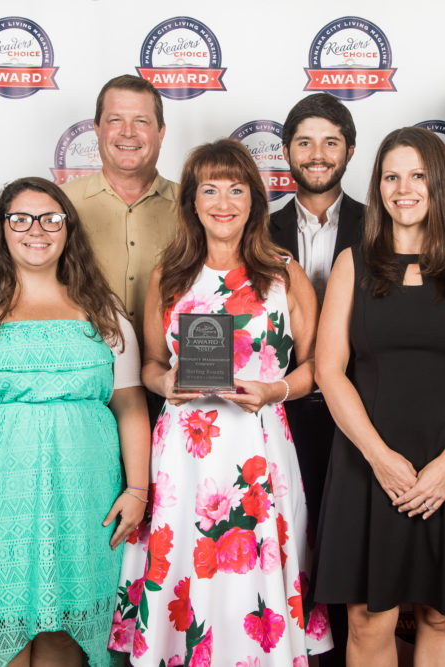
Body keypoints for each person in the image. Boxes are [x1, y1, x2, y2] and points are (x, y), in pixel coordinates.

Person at [108, 139, 332, 665]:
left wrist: (276, 390)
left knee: (254, 577)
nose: (223, 202)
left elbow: (318, 367)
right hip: (184, 456)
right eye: (209, 190)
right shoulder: (170, 273)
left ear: (254, 199)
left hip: (259, 449)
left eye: (236, 189)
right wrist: (166, 384)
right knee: (188, 567)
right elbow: (150, 366)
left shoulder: (283, 272)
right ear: (192, 200)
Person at [0, 177, 151, 666]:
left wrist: (137, 490)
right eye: (20, 219)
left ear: (68, 229)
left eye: (50, 219)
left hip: (85, 505)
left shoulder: (102, 308)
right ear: (2, 229)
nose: (36, 230)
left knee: (66, 635)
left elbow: (130, 405)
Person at [314, 127, 445, 667]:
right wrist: (379, 457)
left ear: (441, 185)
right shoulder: (352, 264)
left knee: (441, 614)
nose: (403, 189)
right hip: (367, 460)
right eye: (391, 177)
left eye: (418, 176)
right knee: (368, 616)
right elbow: (329, 371)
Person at [269, 92, 363, 666]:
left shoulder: (381, 225)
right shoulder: (255, 229)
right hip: (280, 414)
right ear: (286, 151)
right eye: (304, 142)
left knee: (351, 557)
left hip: (362, 415)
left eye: (331, 141)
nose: (317, 153)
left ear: (349, 149)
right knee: (288, 550)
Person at [60, 74, 178, 345]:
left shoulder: (195, 207)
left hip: (172, 366)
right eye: (115, 120)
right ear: (97, 129)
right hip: (85, 363)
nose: (128, 132)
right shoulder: (60, 205)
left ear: (161, 132)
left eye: (141, 121)